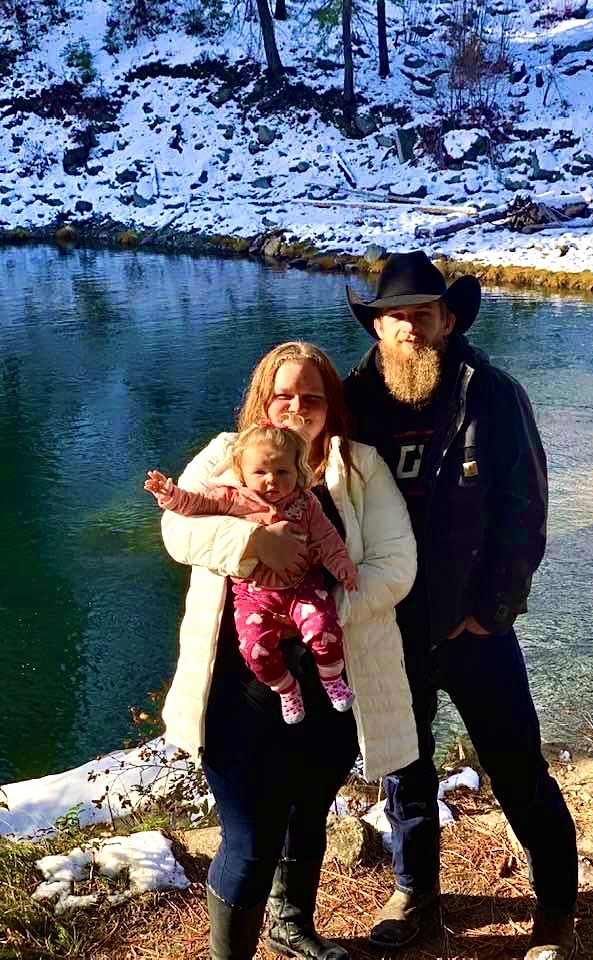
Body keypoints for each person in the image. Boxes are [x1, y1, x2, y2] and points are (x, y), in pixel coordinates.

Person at [344, 252, 578, 960]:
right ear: (377, 328)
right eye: (396, 318)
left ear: (448, 321)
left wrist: (493, 610)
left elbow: (525, 511)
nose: (410, 329)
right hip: (391, 631)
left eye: (423, 314)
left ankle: (556, 911)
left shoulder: (493, 395)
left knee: (517, 769)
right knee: (404, 771)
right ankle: (415, 893)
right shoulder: (352, 402)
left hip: (476, 630)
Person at [158, 341, 419, 960]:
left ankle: (292, 925)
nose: (297, 407)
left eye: (312, 397)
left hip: (331, 677)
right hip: (238, 687)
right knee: (250, 838)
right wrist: (253, 546)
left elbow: (396, 564)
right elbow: (177, 529)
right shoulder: (227, 454)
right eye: (283, 396)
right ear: (263, 400)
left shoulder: (359, 467)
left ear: (331, 405)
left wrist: (323, 616)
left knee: (307, 815)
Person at [144, 417, 358, 724]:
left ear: (297, 470)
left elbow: (327, 538)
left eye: (282, 471)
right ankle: (286, 688)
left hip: (303, 585)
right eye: (260, 472)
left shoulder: (305, 502)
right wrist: (170, 495)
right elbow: (195, 505)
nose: (272, 481)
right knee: (255, 648)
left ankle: (332, 678)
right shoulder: (232, 497)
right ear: (241, 472)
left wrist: (342, 566)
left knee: (324, 628)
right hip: (254, 595)